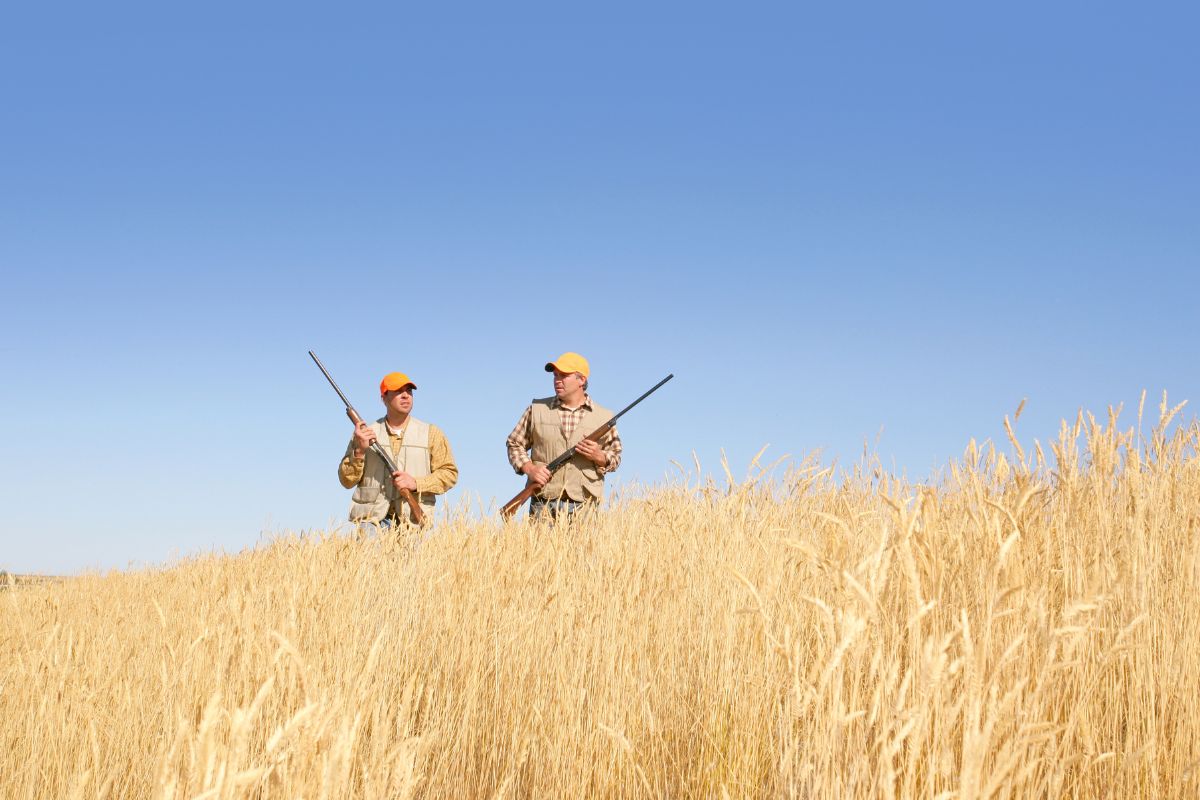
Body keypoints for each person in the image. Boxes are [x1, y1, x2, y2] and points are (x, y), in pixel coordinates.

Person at [506, 352, 622, 518]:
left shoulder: (604, 417)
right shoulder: (537, 409)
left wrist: (600, 456)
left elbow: (616, 456)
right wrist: (530, 468)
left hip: (584, 504)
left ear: (581, 380)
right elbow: (514, 443)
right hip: (543, 501)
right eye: (555, 375)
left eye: (564, 375)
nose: (557, 380)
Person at [338, 371, 458, 528]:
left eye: (409, 391)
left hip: (413, 522)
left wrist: (415, 483)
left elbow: (449, 474)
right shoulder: (364, 434)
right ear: (384, 398)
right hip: (371, 520)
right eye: (398, 391)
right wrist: (360, 451)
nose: (406, 396)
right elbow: (346, 481)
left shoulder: (431, 433)